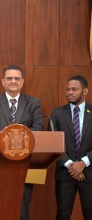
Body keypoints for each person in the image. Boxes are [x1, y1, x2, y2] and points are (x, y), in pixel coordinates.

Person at [0, 65, 44, 220]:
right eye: (9, 78)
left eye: (17, 78)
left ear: (22, 81)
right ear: (3, 81)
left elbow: (38, 128)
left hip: (25, 164)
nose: (13, 81)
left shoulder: (33, 102)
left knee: (21, 211)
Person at [50, 75, 92, 220]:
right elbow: (52, 143)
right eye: (68, 89)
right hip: (65, 173)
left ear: (85, 91)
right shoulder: (57, 113)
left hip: (89, 173)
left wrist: (83, 163)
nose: (70, 92)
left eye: (74, 89)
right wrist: (71, 165)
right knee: (62, 214)